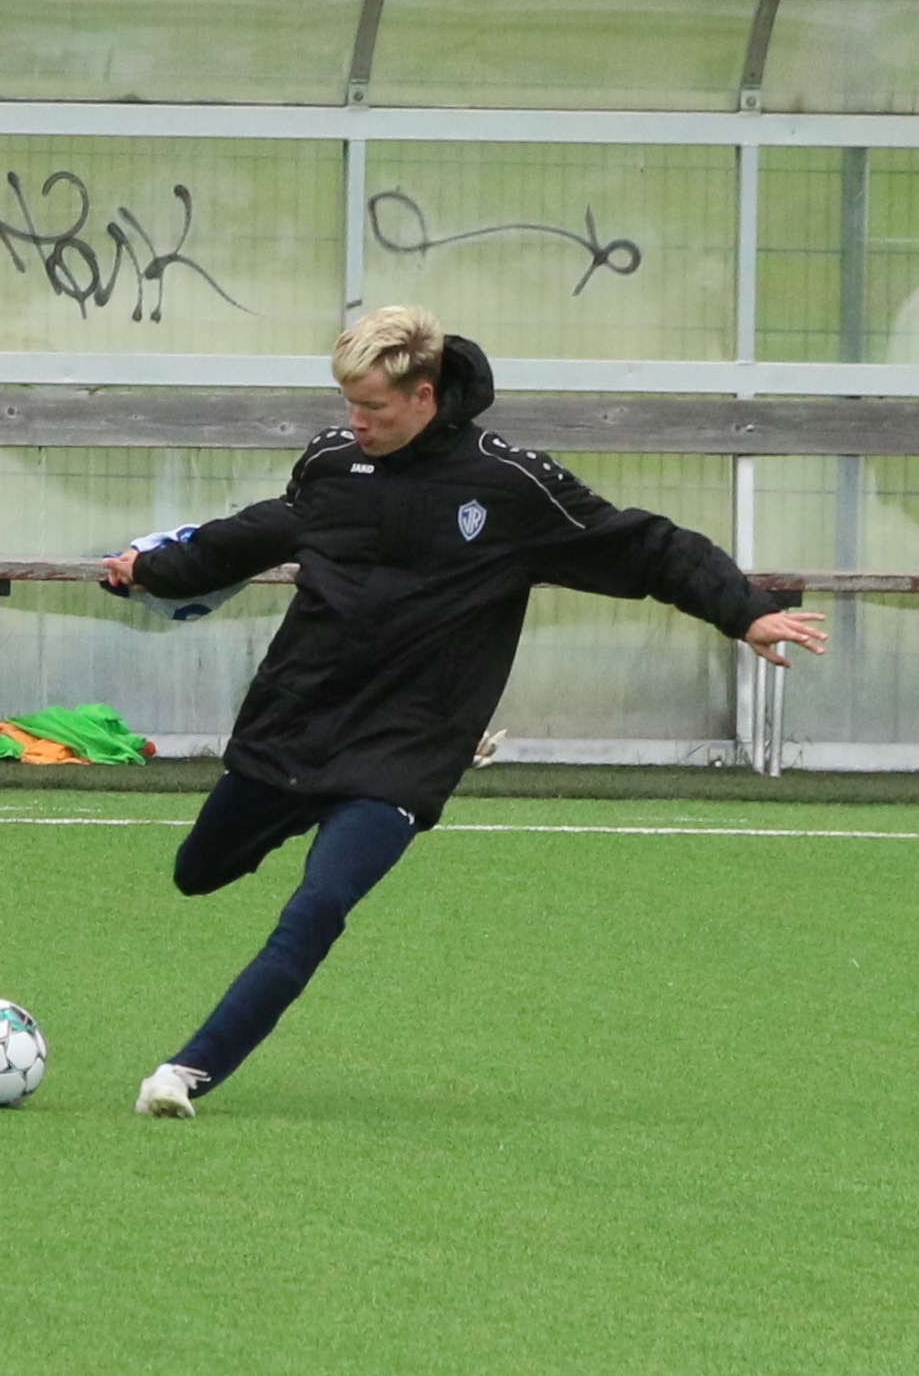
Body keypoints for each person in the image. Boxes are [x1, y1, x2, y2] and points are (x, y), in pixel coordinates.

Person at [100, 307, 828, 1119]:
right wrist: (152, 569)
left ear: (422, 395)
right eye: (348, 403)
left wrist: (744, 611)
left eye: (372, 406)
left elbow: (645, 545)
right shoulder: (332, 464)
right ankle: (297, 814)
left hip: (404, 751)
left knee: (319, 904)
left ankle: (186, 1071)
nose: (355, 421)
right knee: (196, 872)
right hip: (295, 723)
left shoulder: (508, 484)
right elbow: (259, 531)